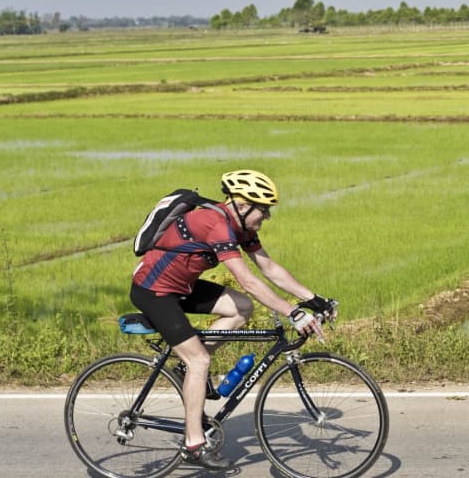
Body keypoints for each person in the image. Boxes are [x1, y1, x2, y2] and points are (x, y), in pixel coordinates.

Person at [130, 169, 336, 470]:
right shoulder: (215, 223)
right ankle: (194, 444)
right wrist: (292, 312)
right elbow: (247, 280)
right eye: (263, 209)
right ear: (242, 205)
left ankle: (185, 368)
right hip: (154, 291)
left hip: (183, 287)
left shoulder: (241, 228)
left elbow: (269, 268)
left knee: (242, 307)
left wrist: (313, 298)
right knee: (199, 361)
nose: (267, 216)